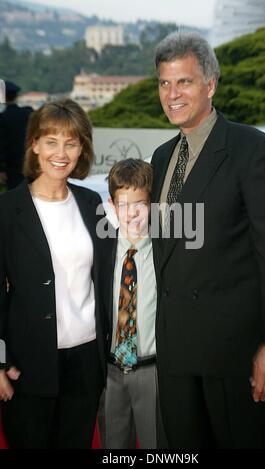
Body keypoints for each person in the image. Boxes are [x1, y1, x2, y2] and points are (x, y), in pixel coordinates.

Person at [151, 31, 265, 449]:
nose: (172, 94)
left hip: (234, 358)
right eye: (164, 82)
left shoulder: (253, 150)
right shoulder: (161, 158)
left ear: (210, 84)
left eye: (184, 81)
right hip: (176, 358)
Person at [0, 98, 107, 448]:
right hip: (27, 365)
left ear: (81, 150)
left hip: (86, 362)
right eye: (51, 141)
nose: (60, 153)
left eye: (71, 143)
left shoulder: (92, 204)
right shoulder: (7, 210)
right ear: (34, 144)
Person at [98, 158, 163, 449]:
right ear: (112, 204)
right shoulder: (102, 250)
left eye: (141, 204)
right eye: (124, 205)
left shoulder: (165, 251)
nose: (132, 213)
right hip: (110, 372)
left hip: (154, 371)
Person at [0, 80, 33, 190]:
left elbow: (1, 146)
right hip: (31, 164)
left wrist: (1, 170)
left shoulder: (3, 118)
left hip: (12, 167)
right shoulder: (28, 113)